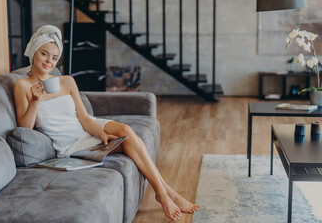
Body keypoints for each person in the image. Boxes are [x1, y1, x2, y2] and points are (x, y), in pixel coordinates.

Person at [13, 25, 200, 221]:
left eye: (54, 58)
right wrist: (34, 100)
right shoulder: (22, 86)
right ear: (34, 51)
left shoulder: (66, 81)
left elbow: (85, 119)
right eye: (44, 54)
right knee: (130, 141)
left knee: (127, 131)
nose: (49, 61)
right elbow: (24, 128)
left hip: (88, 129)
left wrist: (100, 134)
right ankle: (165, 193)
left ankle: (164, 193)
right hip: (70, 145)